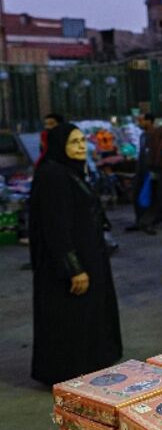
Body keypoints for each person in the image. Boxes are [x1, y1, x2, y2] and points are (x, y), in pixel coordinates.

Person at [29, 123, 122, 384]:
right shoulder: (54, 176)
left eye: (82, 141)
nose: (81, 147)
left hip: (88, 255)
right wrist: (74, 268)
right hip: (69, 264)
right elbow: (55, 227)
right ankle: (67, 373)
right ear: (60, 146)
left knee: (84, 317)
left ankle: (86, 368)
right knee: (69, 318)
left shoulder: (71, 172)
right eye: (74, 142)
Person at [131, 113, 155, 228]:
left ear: (149, 121)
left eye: (141, 120)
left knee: (147, 196)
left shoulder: (154, 135)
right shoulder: (143, 135)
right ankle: (139, 219)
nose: (139, 123)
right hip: (141, 170)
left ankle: (146, 221)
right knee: (137, 194)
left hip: (150, 171)